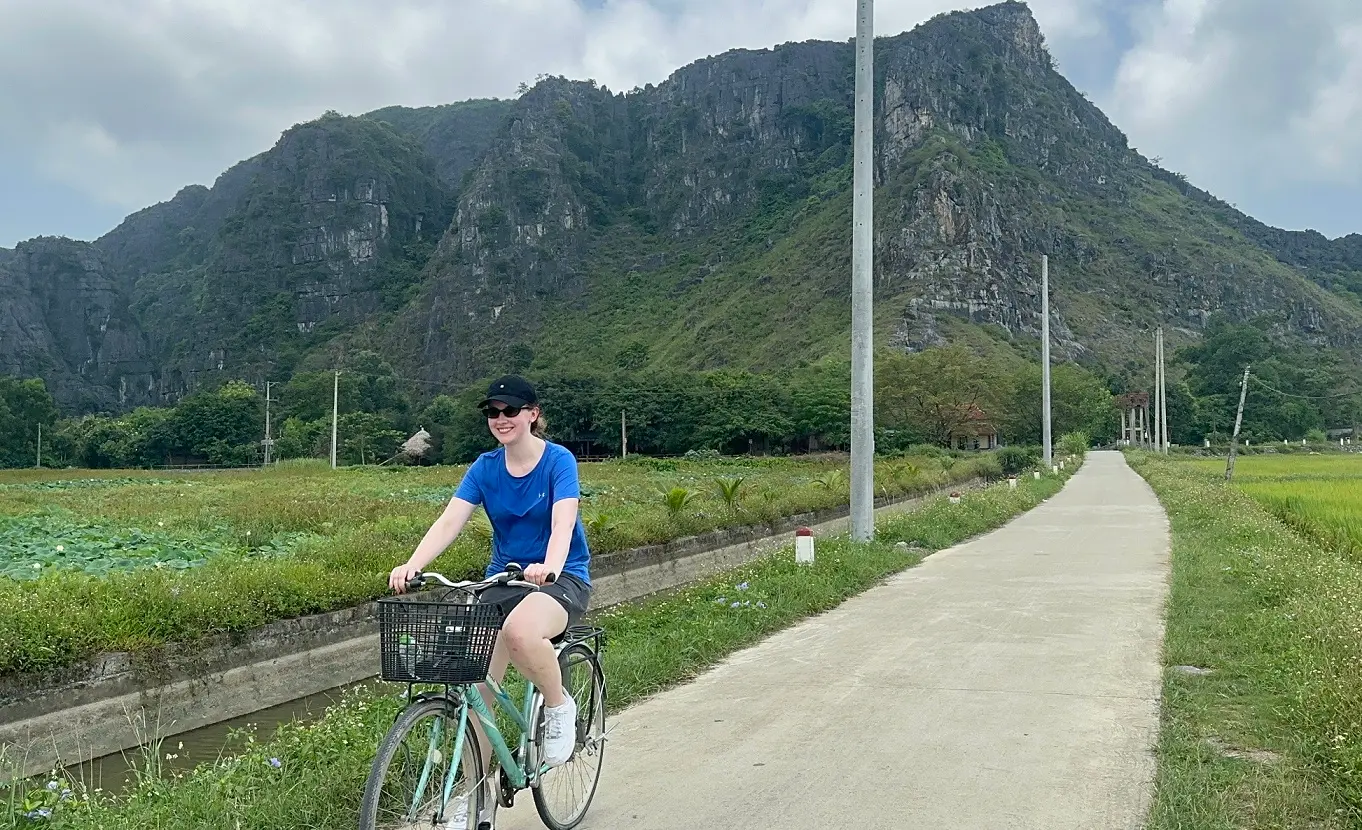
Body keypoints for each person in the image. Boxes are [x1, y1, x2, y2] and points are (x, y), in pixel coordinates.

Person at [389, 374, 592, 779]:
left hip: (561, 578)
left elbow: (562, 523)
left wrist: (550, 566)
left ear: (532, 415)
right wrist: (412, 564)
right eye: (492, 412)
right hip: (504, 581)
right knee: (476, 688)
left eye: (510, 410)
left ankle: (558, 706)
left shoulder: (558, 461)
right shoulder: (485, 468)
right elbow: (450, 521)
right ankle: (476, 796)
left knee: (519, 632)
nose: (501, 419)